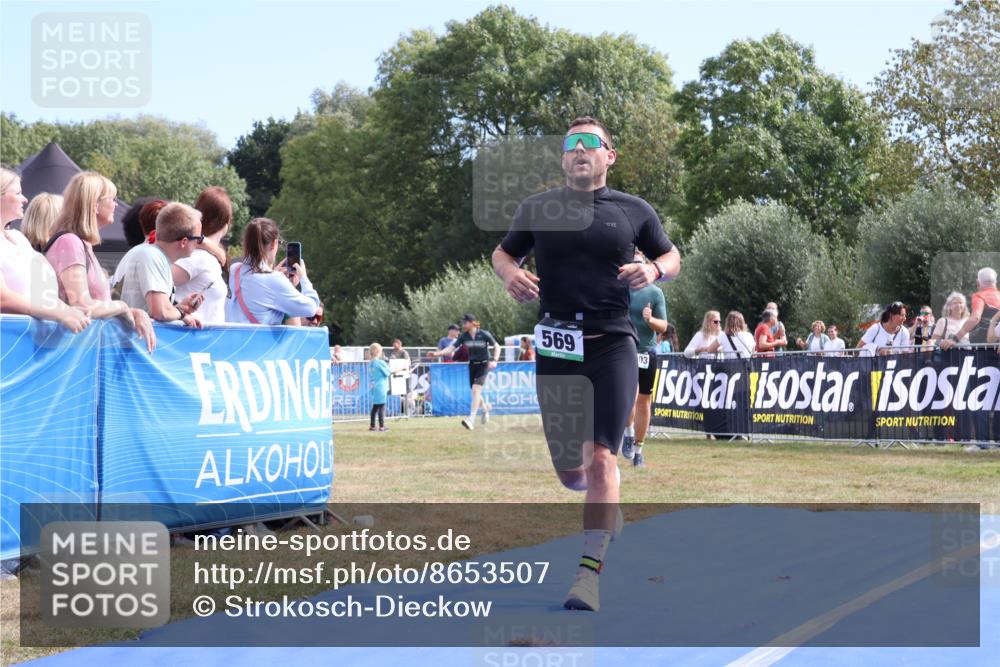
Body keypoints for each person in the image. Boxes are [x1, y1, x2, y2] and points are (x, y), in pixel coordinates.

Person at [491, 115, 681, 612]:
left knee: (602, 457)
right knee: (571, 472)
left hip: (613, 345)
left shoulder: (633, 210)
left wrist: (654, 267)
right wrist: (510, 273)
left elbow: (673, 255)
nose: (579, 150)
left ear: (608, 156)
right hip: (557, 348)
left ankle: (588, 574)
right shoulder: (539, 207)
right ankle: (604, 504)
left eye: (589, 143)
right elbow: (502, 253)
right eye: (571, 144)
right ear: (563, 158)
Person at [46, 172, 155, 351]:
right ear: (95, 205)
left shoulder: (81, 244)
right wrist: (122, 306)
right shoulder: (70, 242)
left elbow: (99, 304)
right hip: (70, 352)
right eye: (112, 198)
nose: (116, 204)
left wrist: (135, 312)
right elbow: (82, 305)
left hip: (83, 350)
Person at [0, 167, 89, 332]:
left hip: (31, 343)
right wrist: (60, 312)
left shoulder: (19, 239)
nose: (25, 199)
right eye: (18, 193)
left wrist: (70, 310)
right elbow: (3, 299)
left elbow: (44, 295)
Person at [112, 202, 205, 327]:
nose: (198, 243)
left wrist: (179, 308)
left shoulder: (148, 253)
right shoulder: (154, 257)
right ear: (184, 242)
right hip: (130, 343)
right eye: (198, 239)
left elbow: (152, 310)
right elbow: (160, 312)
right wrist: (182, 314)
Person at [224, 217, 322, 325]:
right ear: (273, 244)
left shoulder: (235, 270)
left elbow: (257, 287)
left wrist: (274, 274)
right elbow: (312, 308)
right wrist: (304, 278)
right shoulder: (275, 280)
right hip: (259, 341)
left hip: (234, 340)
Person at [621, 251, 668, 467]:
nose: (636, 267)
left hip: (646, 351)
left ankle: (639, 450)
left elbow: (664, 327)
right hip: (623, 349)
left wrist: (650, 320)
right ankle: (628, 434)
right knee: (627, 395)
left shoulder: (655, 293)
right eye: (633, 263)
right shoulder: (619, 289)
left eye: (640, 263)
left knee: (644, 400)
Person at [428, 313, 501, 429]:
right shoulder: (464, 336)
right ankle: (486, 408)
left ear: (472, 322)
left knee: (476, 389)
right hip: (472, 366)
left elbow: (497, 347)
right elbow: (451, 348)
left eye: (465, 322)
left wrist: (495, 360)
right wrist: (437, 353)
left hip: (484, 365)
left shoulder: (484, 334)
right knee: (474, 391)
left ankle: (471, 420)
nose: (463, 325)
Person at [173, 187, 231, 324]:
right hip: (191, 339)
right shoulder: (200, 258)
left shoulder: (204, 256)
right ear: (226, 222)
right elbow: (159, 281)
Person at [941, 268, 1000, 348]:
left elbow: (975, 318)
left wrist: (955, 339)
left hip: (984, 348)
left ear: (978, 282)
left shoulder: (980, 296)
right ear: (995, 281)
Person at [368, 342, 391, 432]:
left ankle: (372, 426)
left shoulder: (371, 363)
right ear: (378, 351)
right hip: (381, 387)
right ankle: (382, 426)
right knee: (381, 407)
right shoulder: (380, 362)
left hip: (374, 387)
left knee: (375, 407)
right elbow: (388, 372)